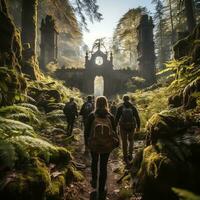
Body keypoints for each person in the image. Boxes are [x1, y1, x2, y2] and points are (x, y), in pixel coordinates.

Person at [85, 96, 118, 200]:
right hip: (107, 145)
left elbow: (86, 131)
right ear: (106, 103)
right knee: (103, 165)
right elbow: (114, 131)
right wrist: (116, 143)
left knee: (94, 161)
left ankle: (94, 181)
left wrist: (87, 143)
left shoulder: (92, 115)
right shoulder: (110, 116)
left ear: (96, 104)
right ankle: (102, 188)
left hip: (94, 144)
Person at [115, 95, 140, 164]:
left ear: (123, 99)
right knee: (131, 140)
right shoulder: (133, 107)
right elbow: (137, 117)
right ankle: (130, 155)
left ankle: (125, 156)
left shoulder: (120, 107)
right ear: (129, 99)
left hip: (123, 126)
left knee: (124, 141)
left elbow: (117, 118)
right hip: (132, 126)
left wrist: (115, 127)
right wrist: (138, 127)